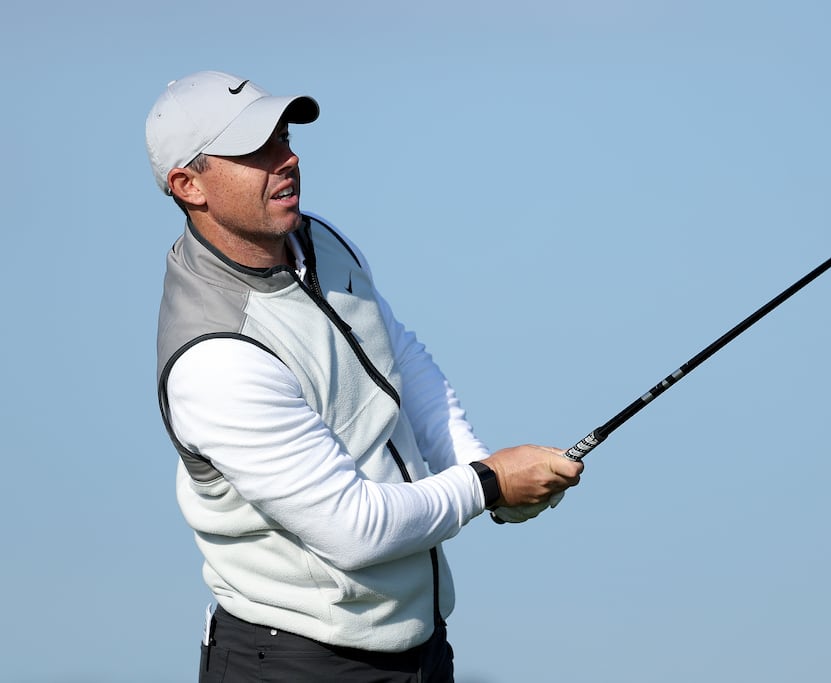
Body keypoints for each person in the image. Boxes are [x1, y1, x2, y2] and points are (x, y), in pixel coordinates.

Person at [146, 70, 584, 682]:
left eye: (284, 138)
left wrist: (487, 474)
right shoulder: (216, 355)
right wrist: (487, 485)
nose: (288, 159)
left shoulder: (319, 240)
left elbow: (401, 358)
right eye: (255, 151)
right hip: (294, 663)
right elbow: (353, 529)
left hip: (419, 648)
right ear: (189, 185)